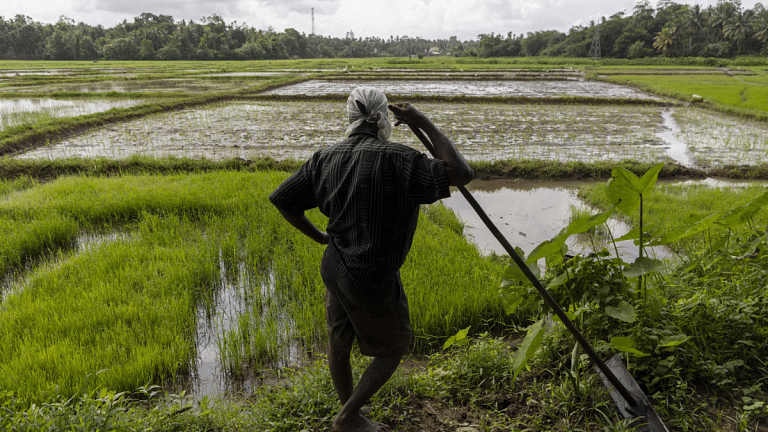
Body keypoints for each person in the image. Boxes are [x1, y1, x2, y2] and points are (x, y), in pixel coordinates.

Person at [269, 87, 473, 432]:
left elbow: (283, 200)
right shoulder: (401, 158)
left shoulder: (325, 157)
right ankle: (348, 417)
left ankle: (351, 414)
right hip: (370, 272)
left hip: (334, 264)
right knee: (394, 346)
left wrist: (320, 236)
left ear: (350, 118)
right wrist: (422, 121)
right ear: (382, 119)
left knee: (339, 337)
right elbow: (461, 173)